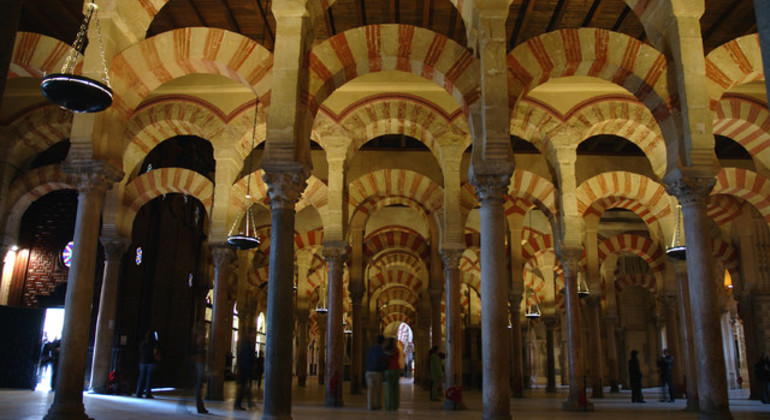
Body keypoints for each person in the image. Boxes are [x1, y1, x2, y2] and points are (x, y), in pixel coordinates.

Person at [364, 335, 387, 410]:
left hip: (368, 371)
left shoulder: (371, 349)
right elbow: (384, 358)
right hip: (377, 371)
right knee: (377, 389)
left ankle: (370, 405)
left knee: (370, 389)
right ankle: (377, 404)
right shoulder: (380, 349)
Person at [136, 331, 158, 398]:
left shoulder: (143, 343)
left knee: (141, 378)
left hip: (143, 362)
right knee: (149, 379)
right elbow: (155, 352)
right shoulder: (154, 344)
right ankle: (148, 393)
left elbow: (140, 351)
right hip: (151, 362)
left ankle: (139, 393)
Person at [234, 342, 255, 410]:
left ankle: (247, 401)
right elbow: (249, 359)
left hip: (244, 369)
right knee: (244, 387)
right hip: (245, 369)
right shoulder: (247, 345)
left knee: (244, 387)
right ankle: (239, 403)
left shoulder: (244, 345)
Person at [383, 338, 401, 410]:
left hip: (388, 370)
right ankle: (395, 405)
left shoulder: (385, 350)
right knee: (395, 388)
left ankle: (388, 405)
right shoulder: (396, 350)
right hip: (396, 369)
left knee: (389, 389)